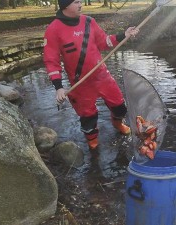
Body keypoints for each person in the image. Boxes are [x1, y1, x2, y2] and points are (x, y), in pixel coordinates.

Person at [43, 0, 139, 150]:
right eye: (76, 2)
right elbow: (51, 60)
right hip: (80, 83)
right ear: (65, 5)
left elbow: (103, 42)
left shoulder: (89, 21)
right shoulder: (53, 29)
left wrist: (123, 35)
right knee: (88, 117)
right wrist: (59, 87)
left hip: (102, 75)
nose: (81, 4)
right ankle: (92, 141)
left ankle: (118, 123)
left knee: (120, 106)